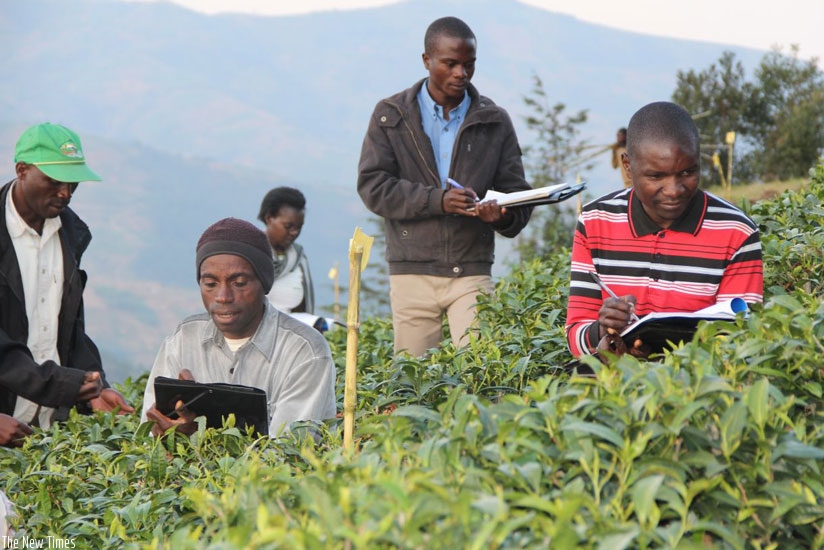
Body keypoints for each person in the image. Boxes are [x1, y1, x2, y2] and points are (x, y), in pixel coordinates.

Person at [357, 16, 533, 357]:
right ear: (427, 61)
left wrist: (498, 215)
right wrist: (438, 200)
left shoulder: (494, 120)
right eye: (450, 64)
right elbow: (373, 187)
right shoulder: (390, 116)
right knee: (412, 384)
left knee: (482, 374)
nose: (460, 74)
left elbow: (517, 198)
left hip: (471, 270)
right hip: (411, 271)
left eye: (469, 65)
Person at [566, 102, 763, 357]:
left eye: (688, 172)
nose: (674, 189)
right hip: (613, 390)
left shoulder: (737, 232)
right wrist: (603, 331)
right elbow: (575, 336)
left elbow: (744, 340)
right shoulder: (595, 222)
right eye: (656, 176)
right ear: (627, 166)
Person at [141, 217, 337, 437]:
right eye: (210, 284)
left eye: (240, 283)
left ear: (264, 282)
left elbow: (286, 455)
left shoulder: (305, 352)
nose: (223, 297)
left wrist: (198, 440)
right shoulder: (183, 340)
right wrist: (166, 430)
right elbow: (148, 435)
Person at [0, 122, 133, 431]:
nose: (65, 193)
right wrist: (63, 384)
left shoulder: (71, 236)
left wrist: (93, 385)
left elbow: (69, 329)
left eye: (73, 183)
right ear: (22, 170)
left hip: (47, 430)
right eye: (55, 180)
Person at [257, 187, 315, 315]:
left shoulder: (299, 258)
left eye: (299, 227)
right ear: (269, 218)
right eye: (288, 226)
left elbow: (304, 309)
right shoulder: (252, 254)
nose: (294, 232)